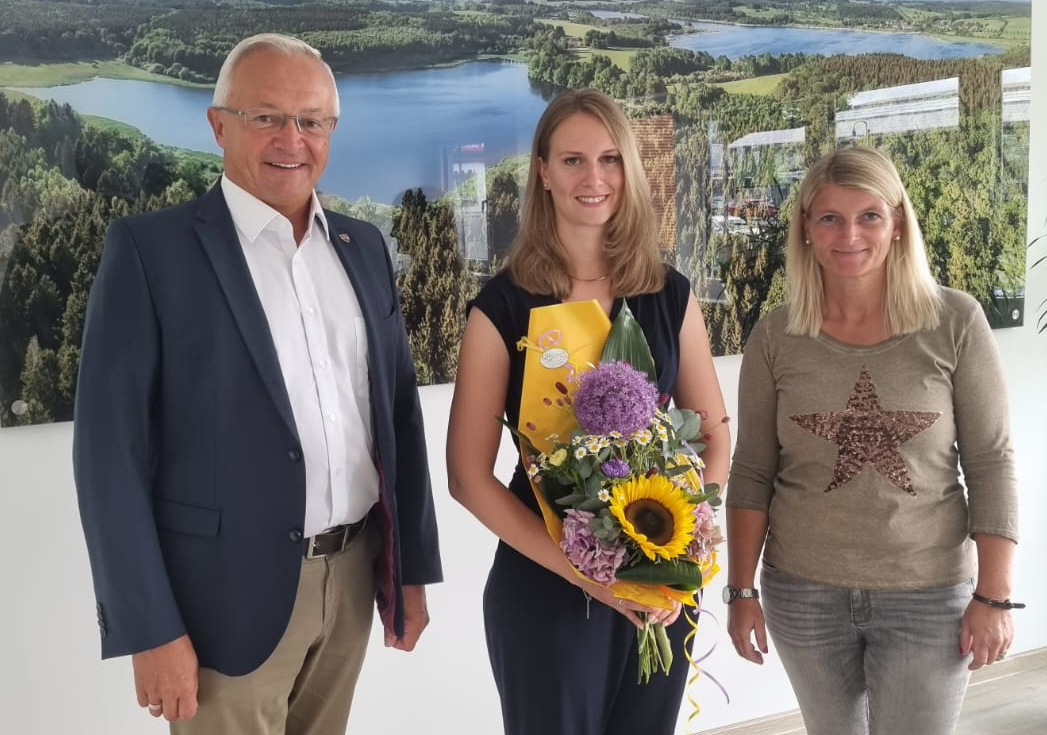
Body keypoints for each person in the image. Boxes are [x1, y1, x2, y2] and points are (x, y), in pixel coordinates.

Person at [73, 33, 441, 733]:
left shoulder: (363, 248)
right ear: (218, 125)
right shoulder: (151, 253)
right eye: (265, 116)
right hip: (221, 600)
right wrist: (147, 625)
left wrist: (409, 568)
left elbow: (396, 418)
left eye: (311, 120)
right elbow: (106, 458)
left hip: (354, 573)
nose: (291, 138)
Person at [446, 88, 730, 735]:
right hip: (546, 592)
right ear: (542, 172)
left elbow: (713, 432)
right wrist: (590, 574)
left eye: (609, 158)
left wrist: (689, 527)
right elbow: (466, 475)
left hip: (662, 585)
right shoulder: (502, 306)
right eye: (572, 160)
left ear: (628, 170)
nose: (593, 178)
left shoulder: (667, 293)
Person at [725, 145, 1020, 735]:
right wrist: (739, 590)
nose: (848, 234)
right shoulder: (776, 337)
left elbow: (992, 463)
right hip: (803, 597)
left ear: (898, 223)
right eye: (829, 217)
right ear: (805, 228)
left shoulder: (955, 322)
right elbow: (752, 470)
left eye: (869, 216)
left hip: (930, 598)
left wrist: (995, 595)